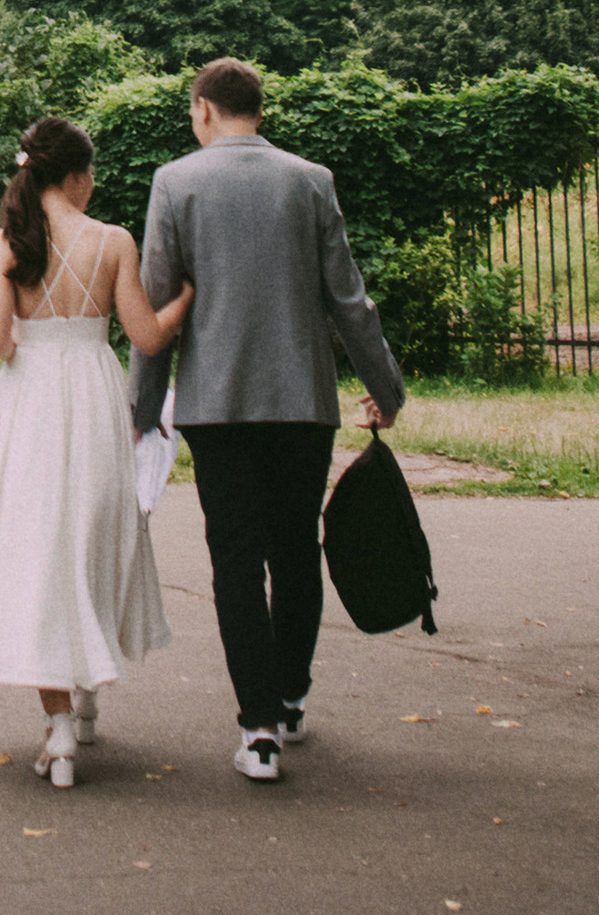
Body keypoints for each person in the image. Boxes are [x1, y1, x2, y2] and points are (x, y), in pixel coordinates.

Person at [130, 56, 405, 786]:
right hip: (301, 401)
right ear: (258, 109)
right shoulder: (309, 181)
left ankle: (257, 731)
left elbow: (158, 305)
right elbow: (350, 301)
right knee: (295, 547)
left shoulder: (176, 182)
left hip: (216, 406)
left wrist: (139, 408)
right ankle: (289, 695)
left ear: (203, 111)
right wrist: (387, 389)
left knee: (235, 562)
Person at [0, 114, 194, 787]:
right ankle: (87, 693)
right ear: (76, 177)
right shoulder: (112, 241)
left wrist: (30, 348)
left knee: (37, 547)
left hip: (30, 402)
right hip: (94, 394)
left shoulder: (6, 245)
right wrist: (186, 298)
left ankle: (56, 728)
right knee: (93, 533)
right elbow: (146, 335)